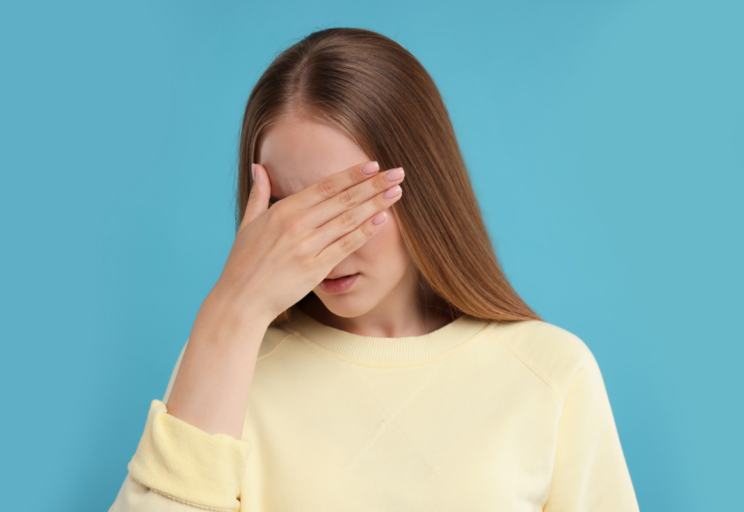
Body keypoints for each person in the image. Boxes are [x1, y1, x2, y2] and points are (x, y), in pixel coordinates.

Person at [108, 27, 639, 512]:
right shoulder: (225, 364)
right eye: (289, 215)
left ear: (423, 185)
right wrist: (232, 308)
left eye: (350, 204)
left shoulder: (551, 373)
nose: (321, 248)